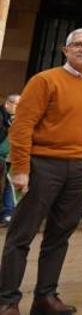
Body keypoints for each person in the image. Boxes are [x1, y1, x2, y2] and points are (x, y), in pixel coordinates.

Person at [0, 28, 82, 315]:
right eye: (78, 44)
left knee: (60, 235)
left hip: (81, 167)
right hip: (43, 165)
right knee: (22, 235)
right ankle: (8, 300)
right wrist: (20, 169)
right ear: (65, 50)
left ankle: (45, 297)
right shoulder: (45, 80)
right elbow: (21, 126)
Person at [0, 94, 17, 226]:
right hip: (3, 156)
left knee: (9, 186)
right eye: (17, 105)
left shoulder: (13, 119)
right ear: (8, 104)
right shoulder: (3, 119)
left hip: (10, 158)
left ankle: (8, 213)